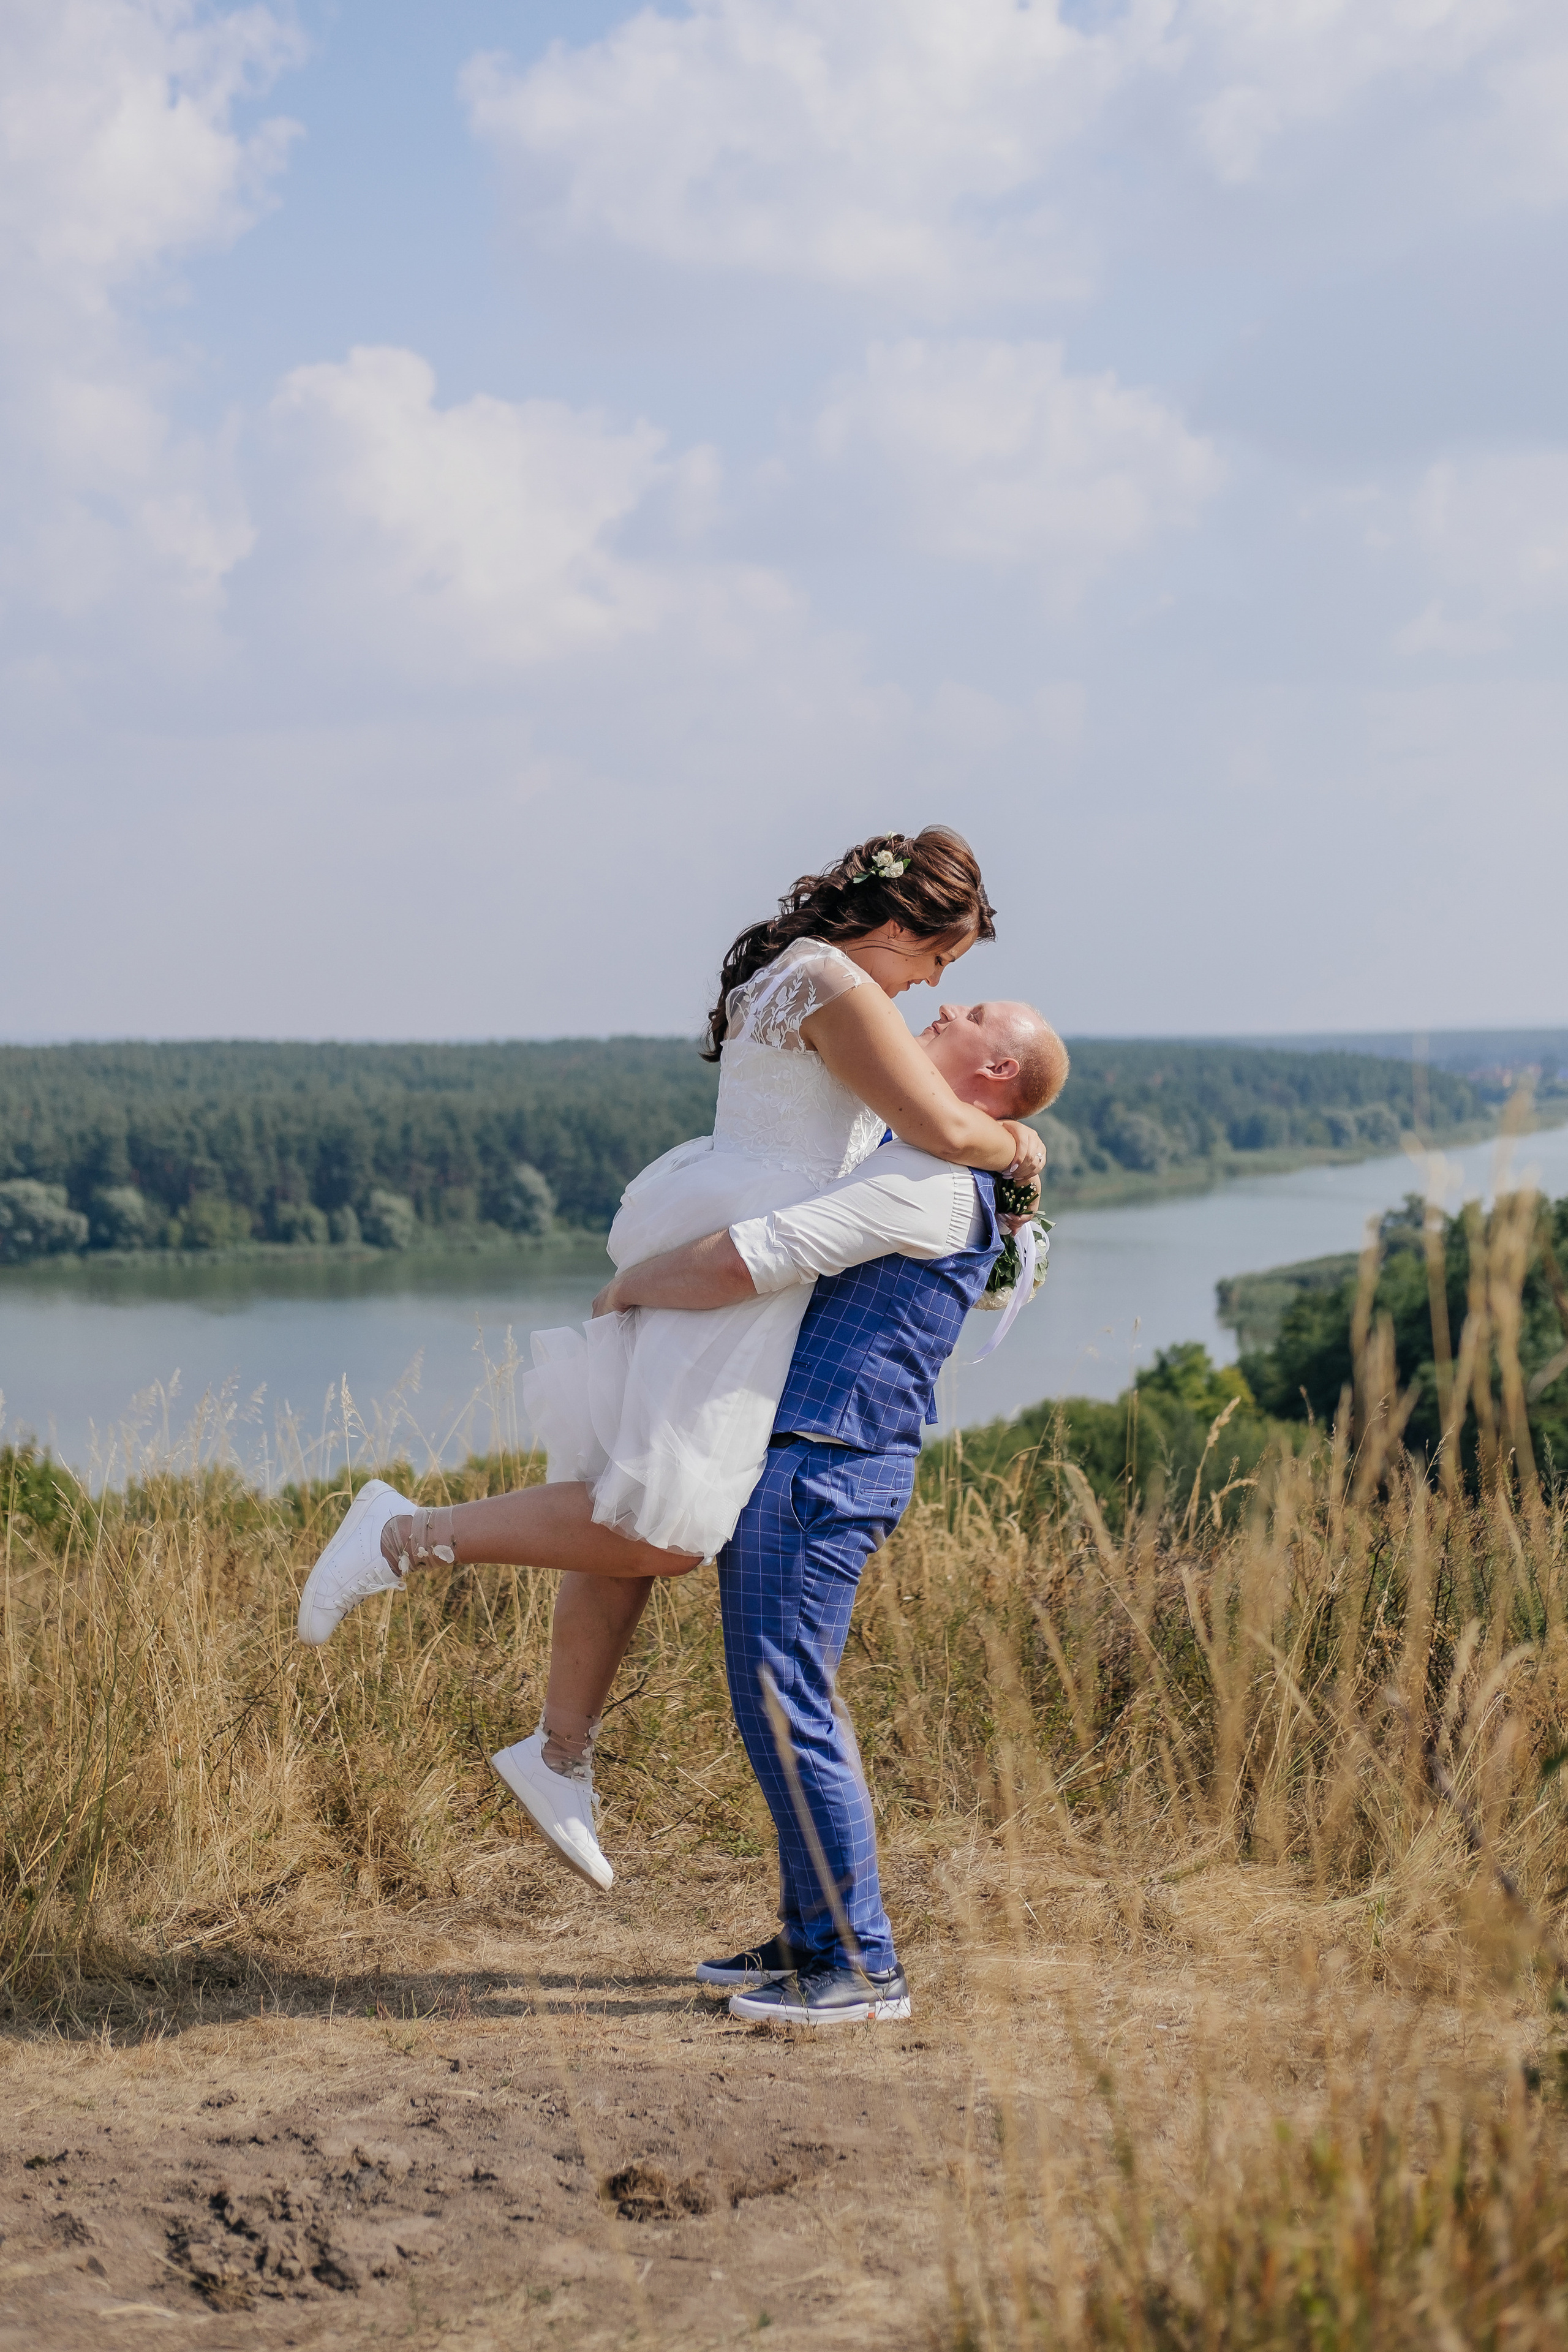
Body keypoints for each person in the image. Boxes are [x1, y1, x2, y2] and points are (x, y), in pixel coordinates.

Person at [298, 830, 1049, 1871]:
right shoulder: (836, 984)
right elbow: (951, 1132)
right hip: (742, 1247)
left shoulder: (818, 975)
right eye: (937, 958)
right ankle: (399, 1536)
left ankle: (559, 1753)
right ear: (897, 922)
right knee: (663, 1526)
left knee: (634, 1492)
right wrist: (1022, 1146)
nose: (930, 984)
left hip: (745, 1222)